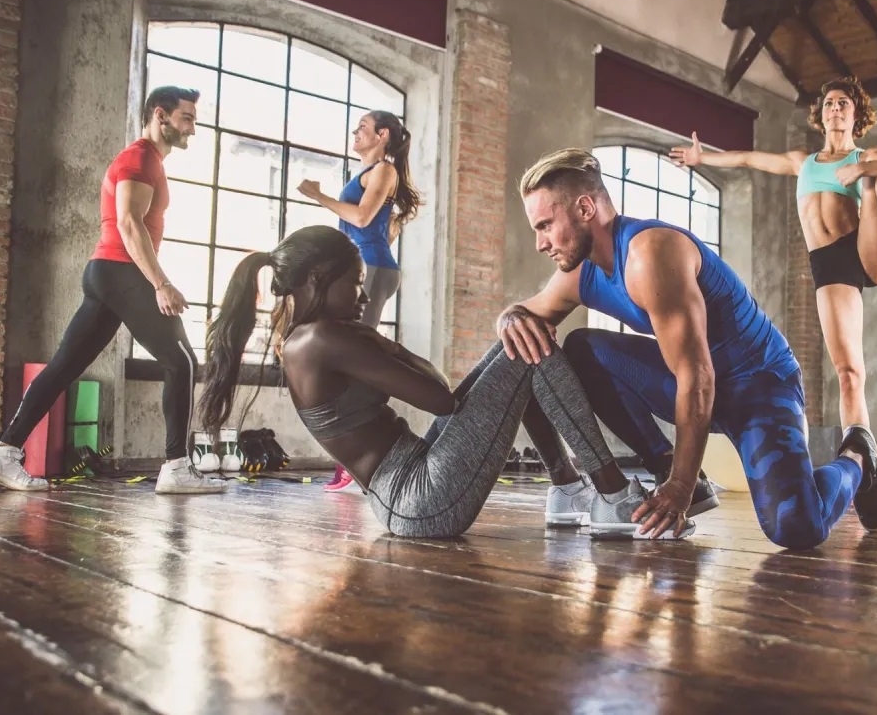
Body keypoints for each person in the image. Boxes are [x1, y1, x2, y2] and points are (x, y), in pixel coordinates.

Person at [497, 148, 877, 547]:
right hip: (693, 381)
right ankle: (663, 461)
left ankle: (858, 455)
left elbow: (698, 377)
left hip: (760, 385)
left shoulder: (650, 253)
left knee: (796, 527)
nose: (539, 243)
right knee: (582, 348)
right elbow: (524, 313)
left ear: (585, 208)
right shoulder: (579, 273)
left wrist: (680, 488)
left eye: (546, 225)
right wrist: (508, 319)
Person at [198, 225, 684, 540]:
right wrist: (386, 345)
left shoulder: (304, 339)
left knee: (518, 344)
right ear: (319, 278)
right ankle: (613, 495)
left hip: (409, 488)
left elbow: (440, 396)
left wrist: (379, 343)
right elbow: (440, 399)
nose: (363, 293)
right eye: (356, 281)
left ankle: (567, 488)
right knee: (530, 347)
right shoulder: (325, 338)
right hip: (419, 498)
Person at [670, 77, 877, 451]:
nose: (835, 108)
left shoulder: (862, 156)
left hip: (866, 247)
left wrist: (862, 171)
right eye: (830, 103)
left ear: (856, 115)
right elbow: (749, 158)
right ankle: (862, 454)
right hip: (830, 266)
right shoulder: (803, 162)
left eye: (843, 103)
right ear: (821, 115)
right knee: (849, 373)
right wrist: (702, 159)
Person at [0, 86, 224, 494]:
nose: (193, 128)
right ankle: (177, 466)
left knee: (64, 367)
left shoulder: (150, 160)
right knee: (181, 362)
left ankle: (4, 450)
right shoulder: (140, 156)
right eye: (187, 117)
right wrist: (160, 282)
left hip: (107, 274)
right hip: (120, 270)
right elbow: (129, 223)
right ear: (160, 115)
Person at [296, 110, 422, 493]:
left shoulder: (384, 170)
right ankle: (354, 461)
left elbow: (364, 219)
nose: (356, 132)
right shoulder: (368, 174)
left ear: (382, 135)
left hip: (373, 270)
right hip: (367, 268)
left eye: (363, 128)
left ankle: (360, 460)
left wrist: (319, 196)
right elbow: (380, 225)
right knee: (345, 361)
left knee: (352, 363)